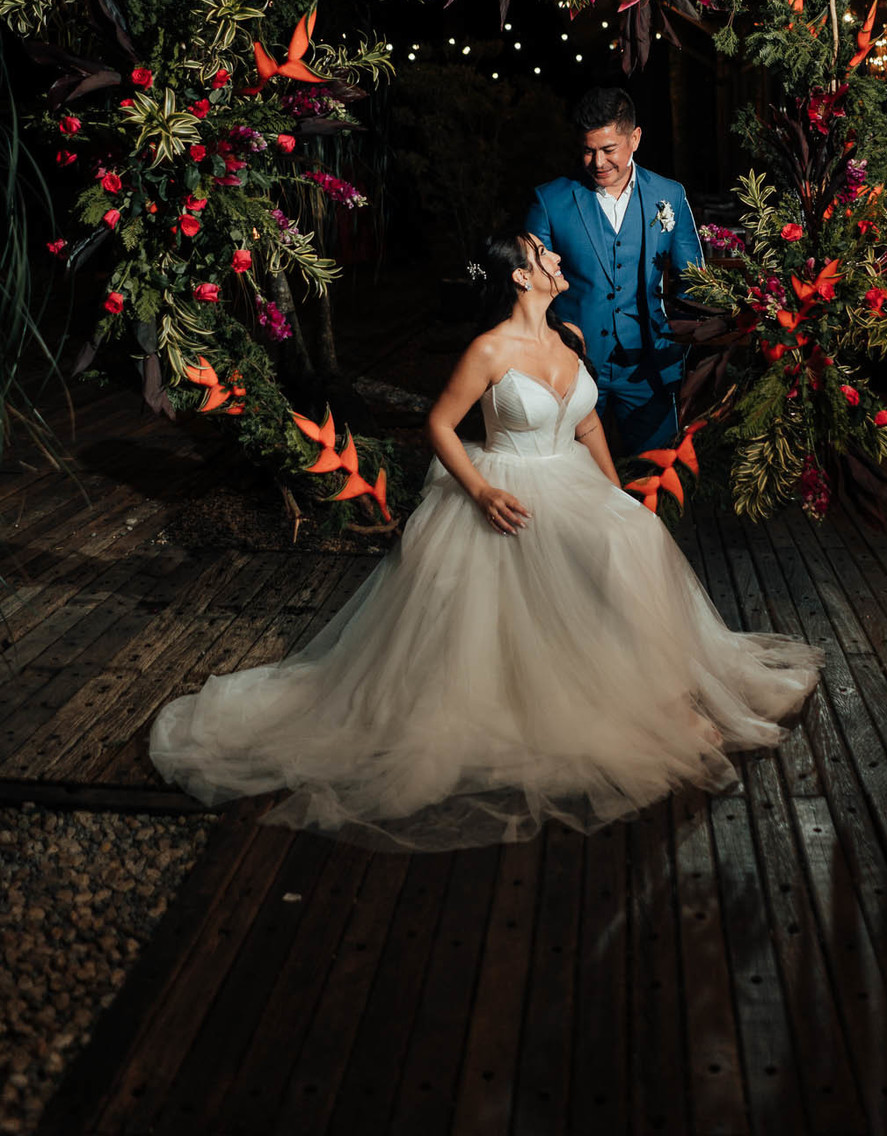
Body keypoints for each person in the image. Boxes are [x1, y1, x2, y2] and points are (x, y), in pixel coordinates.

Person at [149, 229, 821, 851]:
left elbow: (587, 427)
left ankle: (664, 695)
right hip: (509, 483)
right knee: (582, 567)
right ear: (521, 277)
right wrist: (480, 492)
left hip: (573, 477)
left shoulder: (569, 336)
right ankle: (628, 707)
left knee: (635, 541)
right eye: (543, 254)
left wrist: (618, 497)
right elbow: (440, 425)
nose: (556, 258)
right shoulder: (490, 350)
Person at [526, 85, 703, 454]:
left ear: (634, 138)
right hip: (572, 364)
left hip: (650, 366)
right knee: (572, 471)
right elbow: (530, 288)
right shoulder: (550, 199)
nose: (598, 162)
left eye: (608, 149)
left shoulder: (669, 195)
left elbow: (694, 281)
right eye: (588, 150)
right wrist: (549, 350)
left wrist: (678, 342)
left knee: (655, 470)